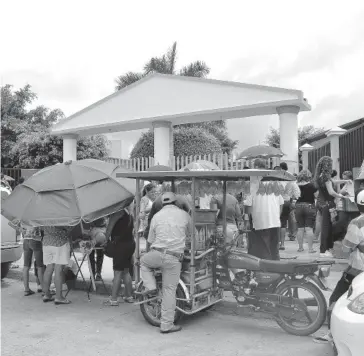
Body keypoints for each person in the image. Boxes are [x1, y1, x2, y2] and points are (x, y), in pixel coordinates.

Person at [314, 188, 364, 344]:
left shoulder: (357, 223)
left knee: (336, 300)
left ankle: (332, 334)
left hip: (357, 271)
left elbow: (346, 248)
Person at [140, 192, 192, 334]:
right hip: (174, 258)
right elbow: (191, 235)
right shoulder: (185, 215)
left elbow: (150, 240)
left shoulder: (156, 216)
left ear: (162, 204)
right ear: (175, 203)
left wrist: (148, 251)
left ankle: (150, 286)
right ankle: (166, 325)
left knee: (143, 262)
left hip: (157, 253)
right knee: (169, 290)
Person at [244, 159, 284, 260]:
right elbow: (281, 203)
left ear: (256, 167)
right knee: (274, 250)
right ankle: (276, 271)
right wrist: (276, 216)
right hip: (274, 221)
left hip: (260, 222)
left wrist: (246, 220)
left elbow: (248, 204)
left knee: (260, 252)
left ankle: (264, 273)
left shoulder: (252, 182)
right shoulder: (274, 181)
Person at [313, 156, 346, 258]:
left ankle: (326, 249)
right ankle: (323, 250)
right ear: (328, 165)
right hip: (328, 204)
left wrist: (345, 181)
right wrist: (341, 196)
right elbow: (331, 192)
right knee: (326, 227)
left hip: (322, 204)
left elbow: (333, 183)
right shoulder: (326, 177)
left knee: (326, 227)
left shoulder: (321, 176)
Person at [104, 205, 135, 306]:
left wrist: (105, 241)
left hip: (120, 245)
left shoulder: (118, 213)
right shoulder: (129, 213)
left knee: (117, 272)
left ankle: (113, 299)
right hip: (130, 244)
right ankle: (129, 296)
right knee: (126, 271)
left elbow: (109, 229)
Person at [42, 226, 73, 304]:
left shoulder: (43, 214)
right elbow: (69, 227)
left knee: (48, 268)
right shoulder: (60, 214)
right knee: (58, 269)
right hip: (60, 242)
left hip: (46, 242)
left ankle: (47, 295)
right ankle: (59, 297)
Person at [277, 162, 300, 250]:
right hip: (286, 201)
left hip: (277, 201)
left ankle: (277, 242)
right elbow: (297, 192)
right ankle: (282, 244)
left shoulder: (277, 176)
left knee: (275, 222)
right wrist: (293, 200)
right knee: (283, 223)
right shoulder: (291, 178)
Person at [295, 170, 317, 253]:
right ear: (308, 176)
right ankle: (310, 249)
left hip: (298, 206)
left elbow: (293, 196)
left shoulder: (296, 185)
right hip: (309, 206)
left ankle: (300, 248)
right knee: (309, 229)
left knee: (300, 229)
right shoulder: (311, 185)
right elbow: (316, 196)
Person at [21, 225, 44, 296]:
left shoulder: (24, 216)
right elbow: (42, 229)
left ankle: (26, 289)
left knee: (26, 266)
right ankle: (44, 290)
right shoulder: (36, 215)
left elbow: (20, 228)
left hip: (26, 239)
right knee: (40, 266)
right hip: (36, 240)